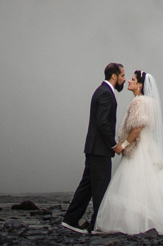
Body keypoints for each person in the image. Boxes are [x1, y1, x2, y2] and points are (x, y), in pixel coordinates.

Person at [94, 71, 163, 236]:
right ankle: (154, 219)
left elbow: (137, 128)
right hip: (148, 147)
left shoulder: (138, 102)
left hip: (138, 148)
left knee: (134, 183)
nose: (129, 80)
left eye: (133, 79)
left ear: (140, 85)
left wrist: (124, 145)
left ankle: (136, 223)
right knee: (153, 184)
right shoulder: (150, 102)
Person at [60, 62, 126, 233]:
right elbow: (102, 122)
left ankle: (70, 220)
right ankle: (97, 225)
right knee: (101, 187)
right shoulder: (105, 94)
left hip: (94, 148)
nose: (124, 80)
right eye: (122, 76)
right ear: (114, 76)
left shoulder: (101, 91)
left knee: (87, 186)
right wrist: (113, 145)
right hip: (100, 149)